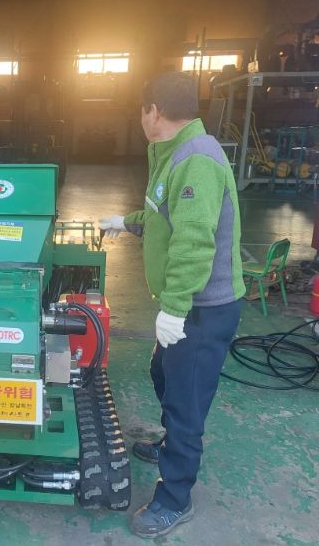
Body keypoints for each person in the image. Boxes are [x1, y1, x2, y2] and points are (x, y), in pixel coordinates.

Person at [99, 71, 245, 539]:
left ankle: (174, 499)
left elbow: (194, 242)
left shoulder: (196, 159)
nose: (140, 118)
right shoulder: (171, 152)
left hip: (203, 308)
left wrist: (176, 308)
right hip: (187, 305)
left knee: (186, 402)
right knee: (162, 373)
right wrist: (127, 221)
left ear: (154, 111)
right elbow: (166, 216)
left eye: (141, 110)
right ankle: (170, 444)